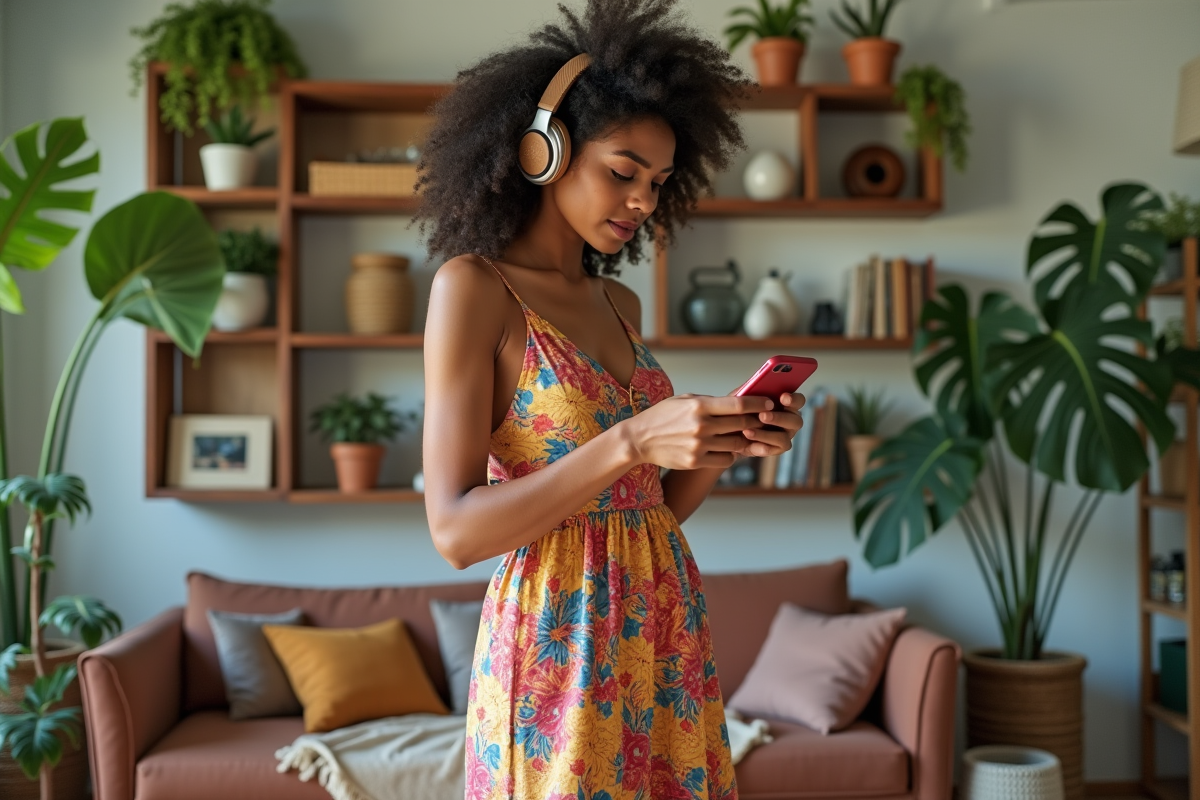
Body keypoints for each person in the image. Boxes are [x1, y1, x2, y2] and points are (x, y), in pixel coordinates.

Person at [417, 1, 804, 797]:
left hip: (660, 630)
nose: (642, 202)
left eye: (658, 183)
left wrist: (727, 442)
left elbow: (643, 508)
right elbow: (454, 531)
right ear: (544, 150)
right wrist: (631, 439)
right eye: (622, 172)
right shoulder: (473, 290)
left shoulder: (618, 306)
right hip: (557, 644)